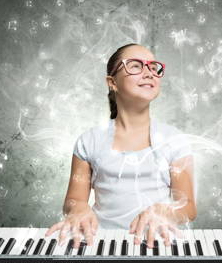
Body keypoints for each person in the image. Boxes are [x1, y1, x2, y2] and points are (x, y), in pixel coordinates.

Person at [46, 43, 197, 250]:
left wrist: (166, 212)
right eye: (135, 66)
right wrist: (78, 208)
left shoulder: (175, 140)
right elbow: (73, 200)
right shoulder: (89, 141)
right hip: (101, 244)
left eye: (153, 67)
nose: (149, 72)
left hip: (158, 245)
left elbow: (188, 207)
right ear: (112, 82)